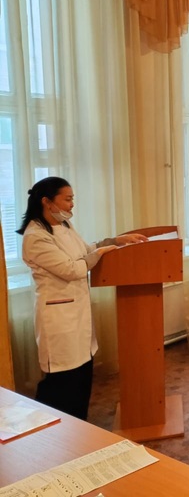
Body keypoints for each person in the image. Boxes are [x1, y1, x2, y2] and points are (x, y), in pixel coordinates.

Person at [19, 177, 147, 420]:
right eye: (67, 199)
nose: (72, 205)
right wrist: (99, 253)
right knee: (62, 381)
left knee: (82, 375)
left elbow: (85, 251)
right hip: (58, 317)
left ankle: (80, 425)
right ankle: (53, 429)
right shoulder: (36, 236)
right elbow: (71, 269)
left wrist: (115, 241)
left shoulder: (64, 225)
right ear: (47, 201)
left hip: (77, 313)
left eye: (72, 199)